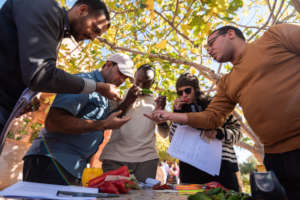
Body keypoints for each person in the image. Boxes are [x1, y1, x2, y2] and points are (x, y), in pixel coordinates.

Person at [146, 24, 300, 199]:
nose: (209, 50)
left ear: (231, 34)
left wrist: (220, 134)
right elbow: (211, 118)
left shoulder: (274, 36)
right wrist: (169, 115)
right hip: (275, 157)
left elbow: (232, 131)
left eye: (211, 43)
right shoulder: (227, 83)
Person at [0, 0, 121, 139]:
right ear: (82, 10)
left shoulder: (56, 29)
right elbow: (41, 75)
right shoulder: (45, 9)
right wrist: (96, 87)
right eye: (95, 30)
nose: (93, 38)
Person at [23, 53, 133, 185]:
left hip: (72, 167)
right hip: (52, 162)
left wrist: (127, 103)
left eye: (125, 78)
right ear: (109, 64)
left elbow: (105, 120)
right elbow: (54, 122)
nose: (122, 80)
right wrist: (102, 124)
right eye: (121, 73)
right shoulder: (84, 81)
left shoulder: (105, 94)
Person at [168, 73, 241, 190]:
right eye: (180, 93)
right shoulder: (179, 111)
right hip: (190, 169)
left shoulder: (215, 105)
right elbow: (172, 140)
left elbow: (237, 132)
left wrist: (219, 133)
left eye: (187, 90)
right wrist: (176, 115)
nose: (184, 95)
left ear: (196, 90)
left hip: (221, 168)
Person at [100, 64, 169, 182]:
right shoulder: (118, 94)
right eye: (139, 81)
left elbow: (164, 134)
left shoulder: (156, 102)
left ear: (152, 83)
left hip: (146, 160)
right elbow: (106, 121)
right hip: (115, 158)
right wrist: (127, 102)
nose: (141, 86)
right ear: (134, 77)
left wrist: (160, 117)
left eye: (146, 83)